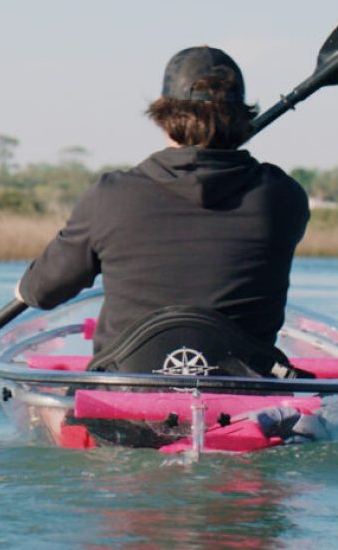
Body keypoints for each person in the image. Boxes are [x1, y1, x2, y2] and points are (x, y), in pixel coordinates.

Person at [16, 47, 309, 371]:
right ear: (242, 115)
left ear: (163, 115)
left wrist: (24, 288)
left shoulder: (111, 197)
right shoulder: (283, 197)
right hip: (243, 399)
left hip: (124, 398)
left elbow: (42, 292)